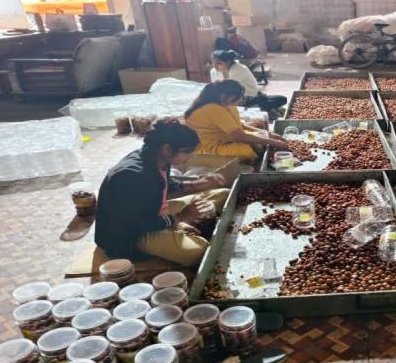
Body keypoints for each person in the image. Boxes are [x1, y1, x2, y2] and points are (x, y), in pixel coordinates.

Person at [94, 120, 230, 267]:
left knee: (222, 194)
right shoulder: (133, 176)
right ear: (167, 149)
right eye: (187, 152)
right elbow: (130, 225)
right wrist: (179, 218)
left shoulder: (156, 158)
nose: (191, 156)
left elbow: (163, 184)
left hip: (153, 212)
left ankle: (179, 227)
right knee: (201, 252)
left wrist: (197, 184)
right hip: (128, 237)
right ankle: (179, 231)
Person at [185, 80, 289, 162]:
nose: (241, 100)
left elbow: (240, 125)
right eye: (238, 97)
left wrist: (268, 134)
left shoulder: (226, 104)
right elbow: (239, 135)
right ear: (224, 96)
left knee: (260, 138)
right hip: (212, 146)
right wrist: (272, 141)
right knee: (246, 152)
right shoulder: (213, 108)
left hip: (226, 138)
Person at [210, 50, 286, 120]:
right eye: (213, 63)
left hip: (248, 97)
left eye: (219, 63)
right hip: (230, 101)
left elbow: (230, 90)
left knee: (281, 99)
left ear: (228, 62)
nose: (215, 66)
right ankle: (260, 109)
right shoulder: (213, 71)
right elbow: (216, 89)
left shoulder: (239, 69)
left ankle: (255, 108)